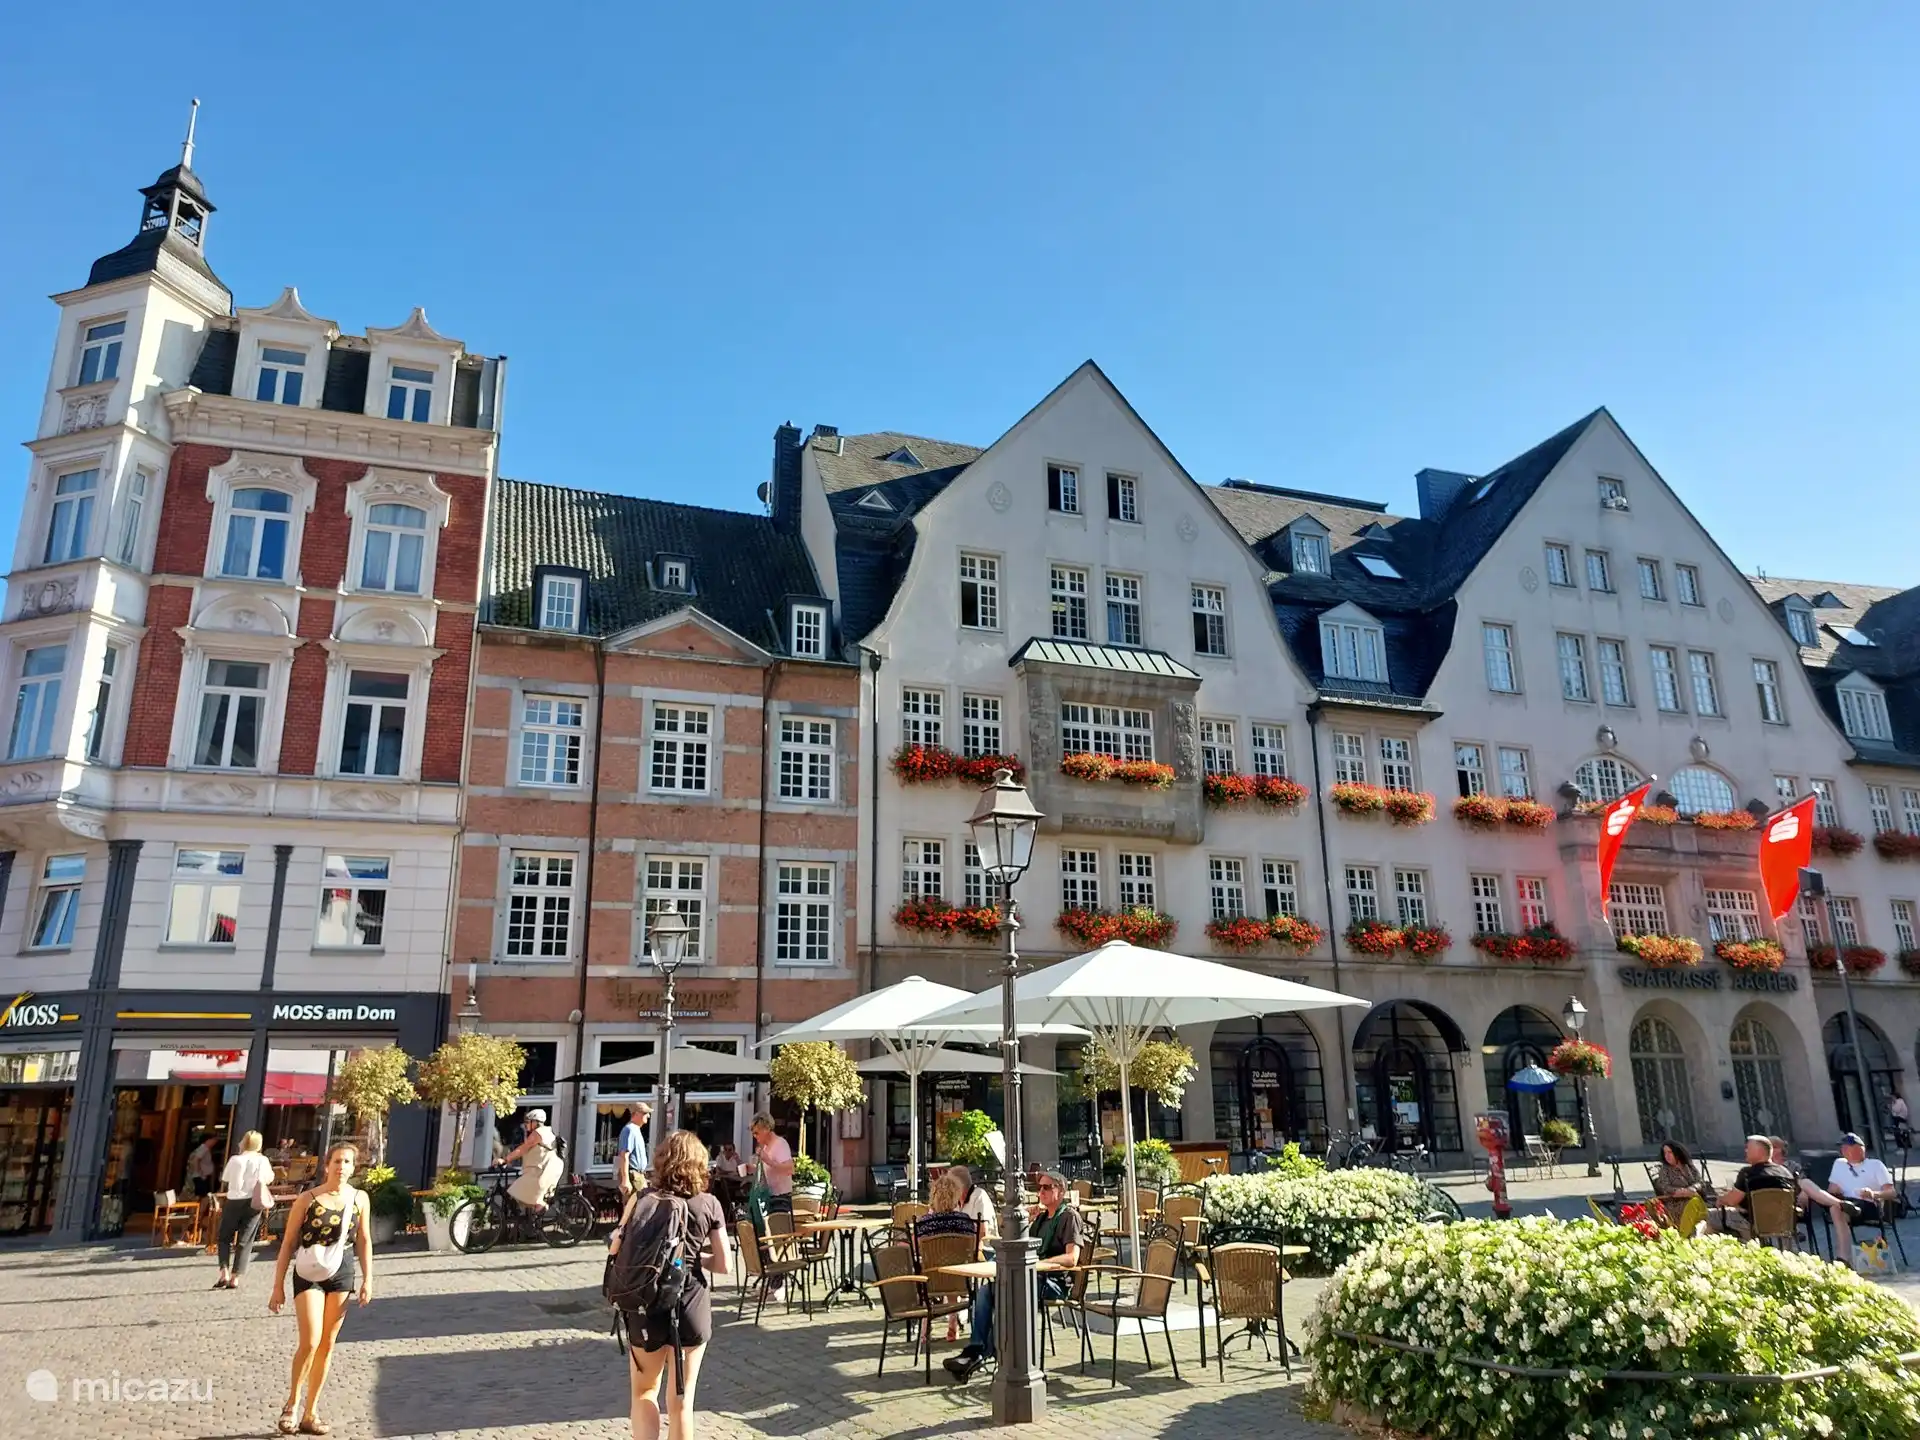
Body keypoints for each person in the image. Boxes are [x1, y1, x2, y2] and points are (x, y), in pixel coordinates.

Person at [610, 1130, 730, 1440]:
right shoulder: (710, 1204)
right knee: (681, 1401)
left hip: (646, 1302)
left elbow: (614, 1249)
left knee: (644, 1391)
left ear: (662, 1161)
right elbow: (724, 1265)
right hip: (691, 1303)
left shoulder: (642, 1199)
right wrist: (695, 1260)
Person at [269, 1142, 373, 1435]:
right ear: (327, 1165)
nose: (342, 1167)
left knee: (327, 1344)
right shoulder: (308, 1199)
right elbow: (288, 1243)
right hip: (308, 1271)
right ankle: (291, 1404)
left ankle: (310, 1413)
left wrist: (368, 1279)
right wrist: (277, 1286)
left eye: (348, 1162)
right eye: (337, 1161)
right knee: (311, 1341)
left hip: (342, 1271)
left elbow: (364, 1239)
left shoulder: (360, 1199)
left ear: (354, 1167)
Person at [944, 1171, 1083, 1383]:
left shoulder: (1069, 1217)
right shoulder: (1042, 1217)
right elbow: (1015, 1243)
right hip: (1030, 1276)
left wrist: (1040, 1264)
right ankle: (976, 1350)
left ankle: (988, 1354)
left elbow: (1072, 1258)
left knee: (1008, 1293)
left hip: (1053, 1281)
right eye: (1040, 1188)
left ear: (1061, 1192)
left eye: (1047, 1187)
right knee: (985, 1291)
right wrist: (1025, 1218)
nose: (1041, 1192)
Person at [916, 1170, 984, 1343]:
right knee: (953, 1268)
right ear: (956, 1196)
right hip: (959, 1280)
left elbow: (917, 1250)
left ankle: (924, 1329)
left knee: (928, 1269)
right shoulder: (966, 1222)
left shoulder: (924, 1224)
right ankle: (953, 1320)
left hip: (931, 1279)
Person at [1769, 1136, 1853, 1264]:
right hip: (1768, 1205)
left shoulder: (1791, 1166)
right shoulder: (1761, 1168)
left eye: (1777, 1147)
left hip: (1793, 1203)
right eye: (1772, 1147)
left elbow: (1802, 1180)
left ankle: (1839, 1204)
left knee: (1804, 1184)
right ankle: (1838, 1203)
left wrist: (1804, 1193)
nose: (1775, 1150)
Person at [1698, 1134, 1794, 1239]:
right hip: (1781, 1222)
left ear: (1759, 1151)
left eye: (1748, 1148)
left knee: (1703, 1217)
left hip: (1750, 1222)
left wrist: (1721, 1199)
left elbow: (1731, 1201)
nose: (1745, 1151)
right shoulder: (1785, 1172)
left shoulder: (1748, 1173)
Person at [214, 1130, 276, 1290]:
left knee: (224, 1237)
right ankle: (236, 1277)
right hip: (254, 1200)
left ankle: (224, 1272)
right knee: (245, 1240)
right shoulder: (262, 1160)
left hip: (234, 1199)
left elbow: (226, 1178)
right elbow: (269, 1178)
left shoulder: (235, 1159)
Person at [1828, 1131, 1898, 1231]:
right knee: (1835, 1207)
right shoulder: (1839, 1163)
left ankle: (1844, 1245)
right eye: (1842, 1148)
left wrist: (1873, 1194)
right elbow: (1831, 1189)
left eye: (1847, 1148)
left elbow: (1892, 1193)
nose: (1843, 1151)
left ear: (1860, 1149)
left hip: (1867, 1205)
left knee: (1838, 1210)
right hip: (1843, 1201)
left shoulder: (1875, 1165)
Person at [501, 1109, 565, 1214]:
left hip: (544, 1171)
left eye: (528, 1121)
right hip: (551, 1168)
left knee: (515, 1190)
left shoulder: (537, 1133)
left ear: (535, 1122)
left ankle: (535, 1212)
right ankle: (532, 1221)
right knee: (530, 1195)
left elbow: (522, 1149)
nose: (525, 1124)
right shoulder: (548, 1131)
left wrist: (505, 1159)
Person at [948, 1163, 999, 1242]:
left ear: (959, 1186)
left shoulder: (979, 1196)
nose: (949, 1188)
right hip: (962, 1248)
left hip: (984, 1250)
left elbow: (983, 1232)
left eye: (950, 1185)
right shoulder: (955, 1201)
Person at [617, 1104, 653, 1197]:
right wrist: (625, 1180)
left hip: (638, 1175)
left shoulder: (635, 1129)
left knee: (641, 1206)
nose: (648, 1116)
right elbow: (624, 1155)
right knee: (635, 1207)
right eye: (645, 1113)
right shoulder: (629, 1130)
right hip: (633, 1175)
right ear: (636, 1114)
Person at [187, 1133, 219, 1198]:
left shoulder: (206, 1149)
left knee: (202, 1197)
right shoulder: (204, 1148)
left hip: (202, 1177)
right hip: (201, 1177)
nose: (215, 1142)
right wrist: (200, 1174)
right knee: (204, 1197)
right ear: (208, 1140)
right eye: (214, 1140)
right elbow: (196, 1160)